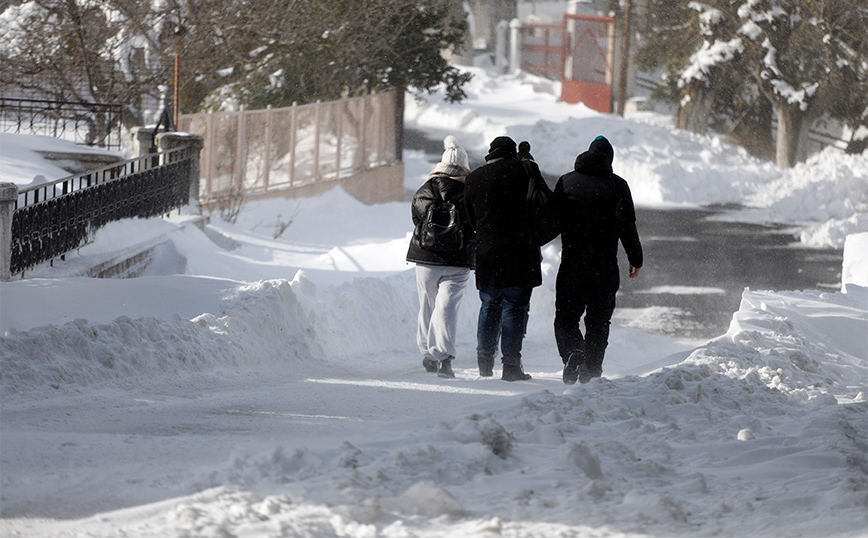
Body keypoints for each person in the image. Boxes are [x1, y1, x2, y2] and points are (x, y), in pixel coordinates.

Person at [551, 135, 643, 384]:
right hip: (604, 267)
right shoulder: (618, 185)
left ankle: (573, 352)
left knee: (566, 317)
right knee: (598, 321)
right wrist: (635, 257)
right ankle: (591, 371)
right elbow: (626, 225)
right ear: (609, 160)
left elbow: (552, 221)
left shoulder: (567, 181)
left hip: (572, 265)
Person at [464, 136, 549, 381]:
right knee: (514, 307)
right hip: (520, 251)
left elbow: (471, 218)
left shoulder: (475, 178)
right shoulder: (525, 172)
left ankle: (484, 361)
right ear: (513, 152)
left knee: (489, 305)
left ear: (491, 153)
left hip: (488, 251)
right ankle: (511, 366)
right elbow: (544, 202)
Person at [406, 135, 475, 378]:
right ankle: (443, 357)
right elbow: (473, 224)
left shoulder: (425, 189)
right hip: (458, 260)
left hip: (426, 258)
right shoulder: (470, 192)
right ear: (464, 166)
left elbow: (417, 219)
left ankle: (427, 353)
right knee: (447, 308)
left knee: (427, 305)